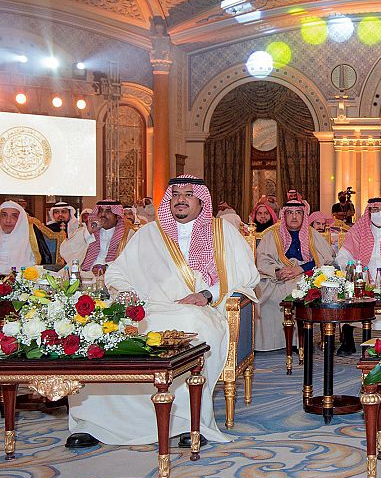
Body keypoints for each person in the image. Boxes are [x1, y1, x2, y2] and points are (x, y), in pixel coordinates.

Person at [67, 175, 260, 448]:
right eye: (176, 194)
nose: (181, 199)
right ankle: (94, 422)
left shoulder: (222, 232)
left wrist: (206, 294)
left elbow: (246, 276)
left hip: (200, 310)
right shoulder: (149, 234)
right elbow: (117, 273)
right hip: (147, 311)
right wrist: (127, 295)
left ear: (201, 201)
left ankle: (187, 422)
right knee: (105, 334)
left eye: (188, 194)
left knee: (192, 326)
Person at [333, 198, 381, 355]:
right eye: (375, 210)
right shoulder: (358, 230)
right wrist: (351, 268)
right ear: (369, 212)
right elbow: (343, 255)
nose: (380, 214)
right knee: (348, 287)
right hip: (363, 278)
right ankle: (347, 335)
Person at [254, 200, 333, 352]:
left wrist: (301, 268)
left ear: (304, 215)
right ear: (284, 215)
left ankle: (299, 342)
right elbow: (262, 261)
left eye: (298, 213)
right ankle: (271, 343)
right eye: (290, 213)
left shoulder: (312, 234)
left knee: (299, 291)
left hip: (305, 276)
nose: (294, 217)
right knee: (261, 293)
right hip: (277, 277)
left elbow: (326, 259)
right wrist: (277, 272)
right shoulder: (272, 235)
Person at [60, 200, 135, 280]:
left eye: (108, 211)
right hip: (84, 275)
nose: (103, 215)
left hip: (112, 276)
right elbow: (65, 252)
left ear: (117, 216)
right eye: (100, 211)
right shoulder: (86, 231)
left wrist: (107, 267)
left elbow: (131, 260)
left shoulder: (128, 234)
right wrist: (88, 232)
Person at [0, 201, 38, 273]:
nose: (8, 220)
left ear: (20, 220)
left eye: (14, 216)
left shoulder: (30, 241)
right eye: (4, 215)